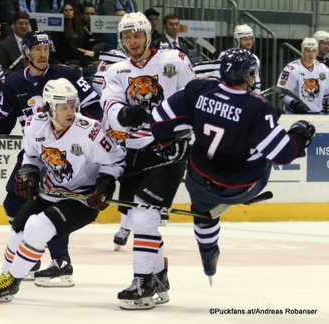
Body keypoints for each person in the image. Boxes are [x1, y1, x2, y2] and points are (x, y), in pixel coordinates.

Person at [150, 48, 316, 286]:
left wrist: (168, 144)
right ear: (249, 76)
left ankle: (208, 254)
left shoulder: (198, 89)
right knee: (263, 153)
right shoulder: (258, 108)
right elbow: (283, 154)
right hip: (242, 187)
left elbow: (158, 119)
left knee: (203, 210)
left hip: (199, 179)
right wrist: (301, 133)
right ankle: (235, 199)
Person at [0, 31, 103, 291]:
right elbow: (4, 120)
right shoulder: (14, 82)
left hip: (66, 154)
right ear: (26, 53)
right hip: (36, 154)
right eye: (37, 49)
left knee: (54, 209)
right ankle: (31, 256)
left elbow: (95, 109)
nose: (43, 53)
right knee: (14, 203)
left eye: (46, 48)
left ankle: (61, 263)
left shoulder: (67, 75)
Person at [0, 78, 125, 303]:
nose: (70, 112)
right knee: (18, 229)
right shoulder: (35, 124)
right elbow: (32, 155)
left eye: (73, 105)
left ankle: (12, 282)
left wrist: (105, 183)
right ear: (48, 107)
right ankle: (4, 276)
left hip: (82, 200)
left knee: (37, 226)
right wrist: (29, 171)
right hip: (51, 192)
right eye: (63, 107)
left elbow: (115, 160)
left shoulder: (90, 131)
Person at [100, 12, 195, 310]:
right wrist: (123, 115)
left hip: (169, 148)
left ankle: (142, 282)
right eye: (126, 37)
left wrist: (183, 136)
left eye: (136, 35)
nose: (132, 41)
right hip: (133, 151)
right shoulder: (115, 70)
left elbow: (193, 98)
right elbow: (110, 104)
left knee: (143, 216)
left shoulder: (175, 60)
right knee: (145, 217)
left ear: (147, 35)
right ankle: (159, 277)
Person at [193, 24, 261, 94]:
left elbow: (255, 79)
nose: (249, 42)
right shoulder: (226, 55)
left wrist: (256, 94)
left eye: (250, 39)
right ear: (237, 40)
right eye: (245, 39)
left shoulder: (255, 59)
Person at [277, 37, 329, 114]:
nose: (311, 54)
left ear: (317, 52)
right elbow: (281, 91)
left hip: (317, 115)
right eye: (308, 50)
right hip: (293, 115)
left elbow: (326, 94)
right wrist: (294, 103)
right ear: (302, 51)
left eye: (313, 51)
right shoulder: (291, 69)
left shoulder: (324, 69)